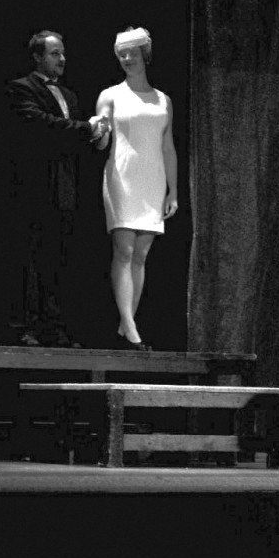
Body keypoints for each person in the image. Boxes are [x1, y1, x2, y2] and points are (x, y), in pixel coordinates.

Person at [5, 30, 108, 347]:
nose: (62, 59)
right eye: (54, 53)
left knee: (58, 258)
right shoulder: (21, 88)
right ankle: (26, 327)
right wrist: (86, 128)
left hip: (65, 188)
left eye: (63, 53)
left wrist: (97, 136)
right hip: (34, 187)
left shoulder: (70, 95)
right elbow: (41, 125)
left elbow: (74, 140)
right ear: (37, 57)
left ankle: (54, 327)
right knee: (31, 258)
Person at [95, 27, 178, 350]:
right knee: (124, 250)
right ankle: (131, 327)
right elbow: (101, 140)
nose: (127, 59)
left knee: (140, 255)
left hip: (152, 179)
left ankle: (124, 326)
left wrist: (173, 191)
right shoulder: (110, 95)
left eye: (132, 53)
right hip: (122, 175)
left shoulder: (163, 100)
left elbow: (168, 147)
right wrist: (99, 132)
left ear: (145, 54)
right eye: (122, 54)